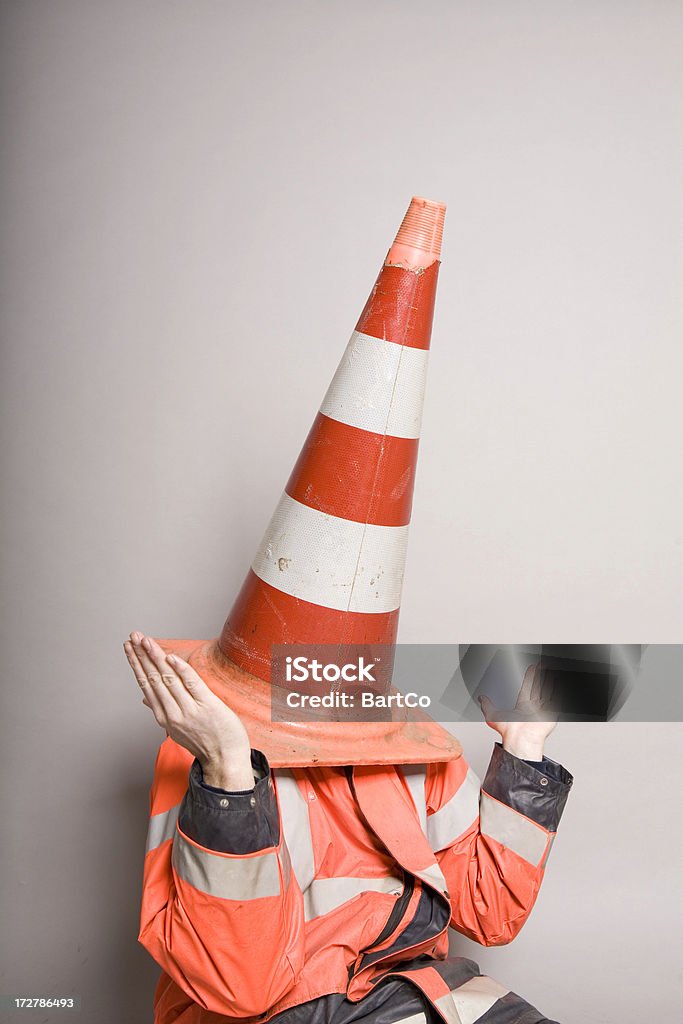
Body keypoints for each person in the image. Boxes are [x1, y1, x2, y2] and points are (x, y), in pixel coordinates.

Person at [124, 631, 573, 1024]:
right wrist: (228, 772)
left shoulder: (412, 743)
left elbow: (489, 909)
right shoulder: (208, 758)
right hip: (286, 1010)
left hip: (428, 995)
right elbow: (238, 985)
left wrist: (523, 746)